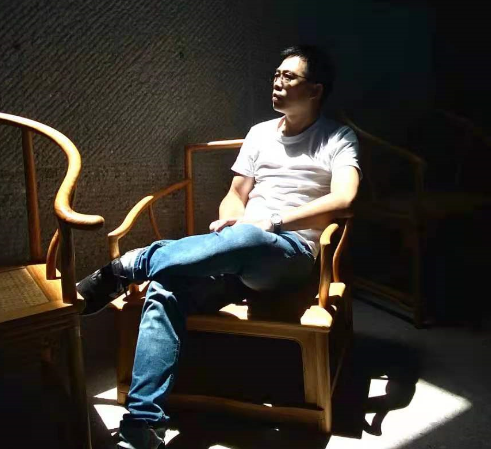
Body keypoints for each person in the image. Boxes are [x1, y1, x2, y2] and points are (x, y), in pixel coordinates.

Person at [78, 45, 361, 449]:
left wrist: (271, 223)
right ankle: (142, 424)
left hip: (290, 254)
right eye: (275, 74)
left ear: (315, 89)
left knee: (247, 237)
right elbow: (235, 194)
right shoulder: (260, 133)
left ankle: (131, 265)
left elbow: (346, 199)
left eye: (288, 76)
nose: (277, 82)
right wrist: (232, 219)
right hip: (237, 248)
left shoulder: (338, 138)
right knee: (166, 286)